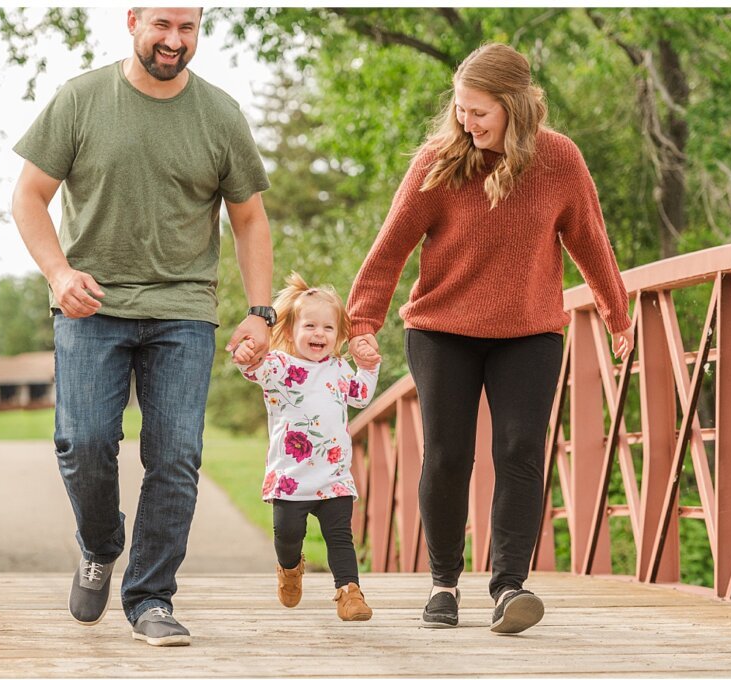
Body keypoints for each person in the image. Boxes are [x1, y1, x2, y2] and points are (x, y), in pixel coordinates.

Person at [347, 42, 634, 634]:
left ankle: (509, 588)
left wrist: (616, 312)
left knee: (521, 451)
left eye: (479, 111)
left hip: (528, 332)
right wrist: (362, 322)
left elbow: (590, 239)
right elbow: (391, 245)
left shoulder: (559, 160)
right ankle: (444, 584)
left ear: (515, 106)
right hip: (441, 329)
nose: (466, 122)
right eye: (460, 109)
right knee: (449, 455)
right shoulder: (439, 160)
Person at [11, 7, 275, 647]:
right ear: (132, 20)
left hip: (184, 308)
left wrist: (261, 311)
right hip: (90, 304)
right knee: (85, 442)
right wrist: (58, 274)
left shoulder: (219, 115)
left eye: (187, 29)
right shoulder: (81, 99)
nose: (173, 41)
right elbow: (27, 196)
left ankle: (152, 596)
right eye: (162, 25)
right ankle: (101, 546)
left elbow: (249, 219)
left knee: (176, 455)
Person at [232, 273, 380, 621]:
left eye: (328, 328)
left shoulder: (340, 368)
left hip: (334, 477)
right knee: (288, 536)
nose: (319, 334)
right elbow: (252, 369)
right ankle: (289, 569)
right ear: (291, 331)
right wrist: (246, 352)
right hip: (291, 478)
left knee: (340, 537)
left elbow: (360, 396)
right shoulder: (281, 366)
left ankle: (349, 593)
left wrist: (368, 367)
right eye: (310, 326)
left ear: (339, 335)